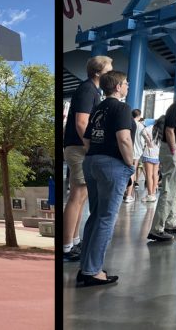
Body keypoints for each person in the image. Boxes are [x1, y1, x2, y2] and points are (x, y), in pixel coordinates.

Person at [77, 70, 134, 287]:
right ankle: (93, 271)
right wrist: (130, 165)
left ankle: (86, 267)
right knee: (106, 218)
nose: (128, 86)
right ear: (118, 87)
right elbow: (124, 139)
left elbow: (87, 138)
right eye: (126, 84)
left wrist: (95, 155)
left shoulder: (98, 109)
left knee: (96, 215)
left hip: (92, 161)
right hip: (112, 164)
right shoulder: (121, 108)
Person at [62, 55, 113, 262]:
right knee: (77, 196)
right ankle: (66, 245)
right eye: (110, 68)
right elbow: (81, 122)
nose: (112, 71)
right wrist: (91, 148)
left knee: (81, 196)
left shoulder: (94, 91)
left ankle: (73, 240)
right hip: (78, 147)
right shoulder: (87, 90)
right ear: (98, 72)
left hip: (80, 147)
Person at [147, 80, 176, 242]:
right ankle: (156, 228)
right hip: (173, 149)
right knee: (169, 188)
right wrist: (174, 150)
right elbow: (169, 130)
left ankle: (170, 221)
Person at [140, 117, 159, 202]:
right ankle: (153, 193)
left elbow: (143, 132)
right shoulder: (162, 130)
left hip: (149, 153)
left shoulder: (150, 127)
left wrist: (148, 142)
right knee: (155, 174)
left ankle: (149, 194)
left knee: (148, 174)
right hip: (158, 154)